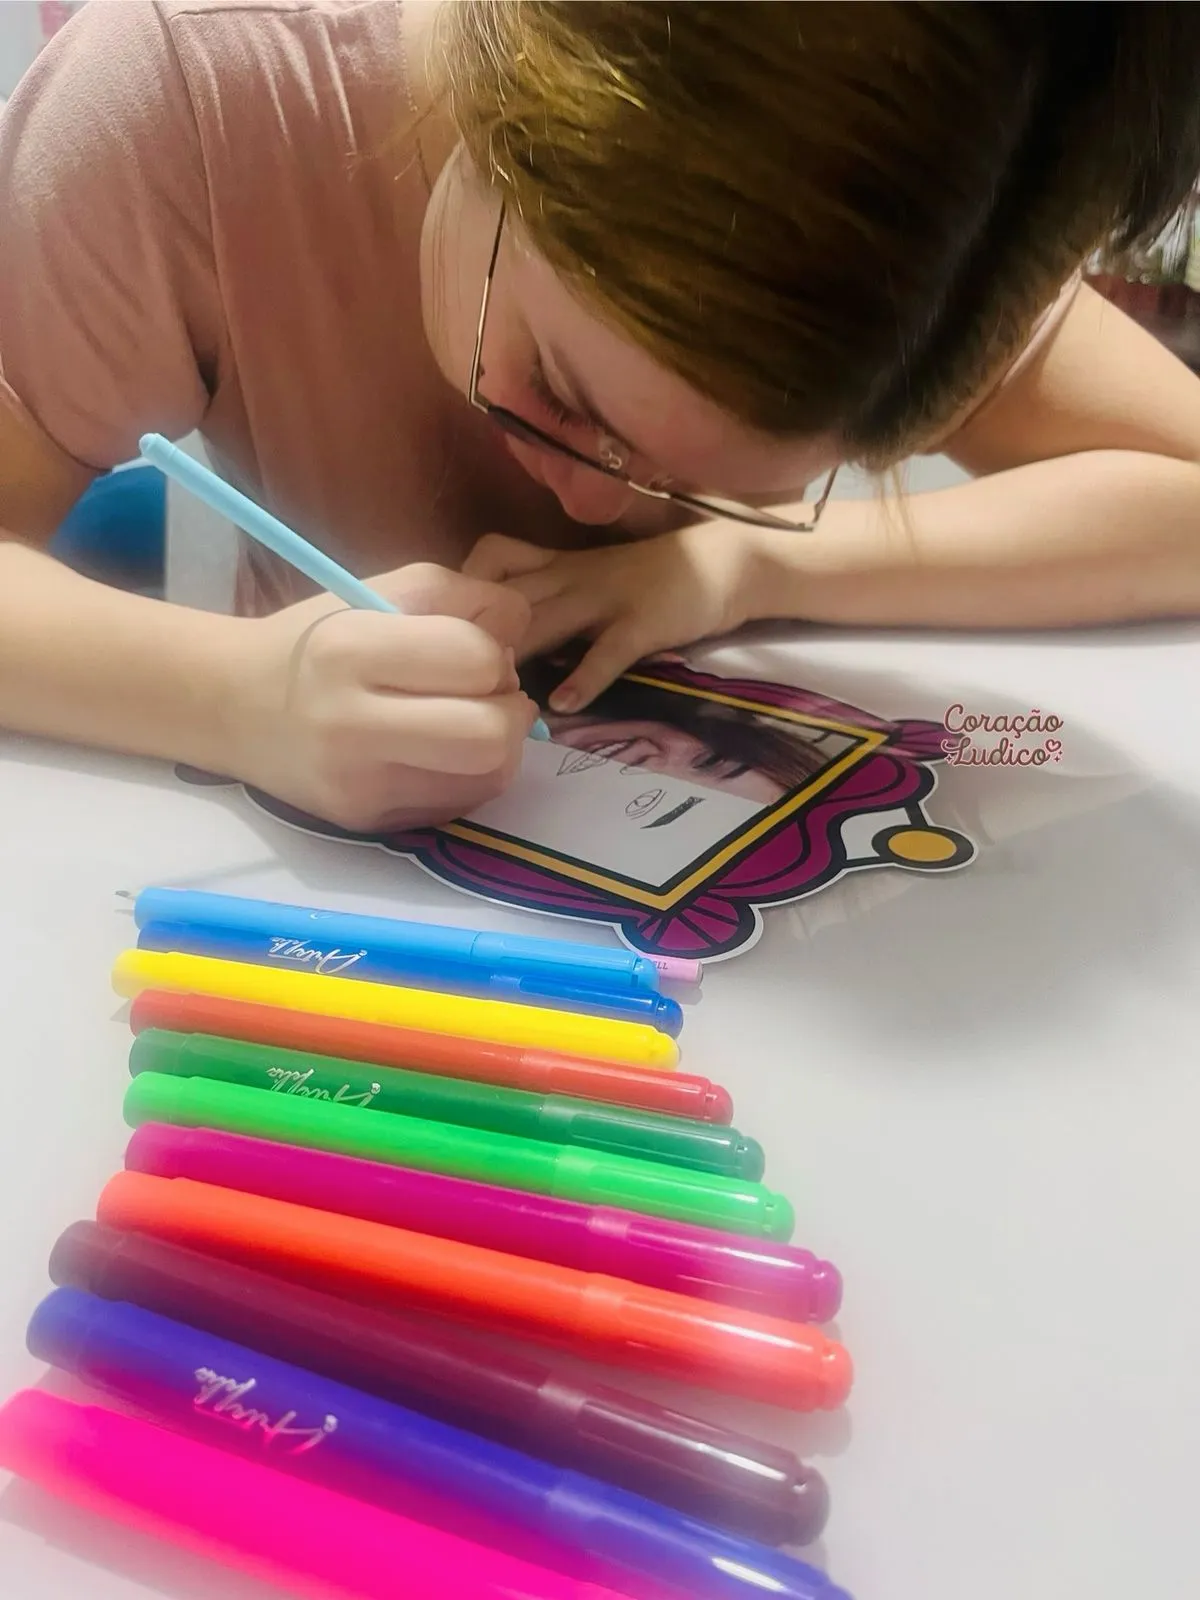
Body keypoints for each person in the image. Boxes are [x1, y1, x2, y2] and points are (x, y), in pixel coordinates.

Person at [3, 2, 1200, 833]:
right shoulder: (192, 96)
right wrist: (235, 697)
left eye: (724, 484)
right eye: (561, 395)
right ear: (496, 115)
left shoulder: (912, 246)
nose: (591, 505)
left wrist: (739, 562)